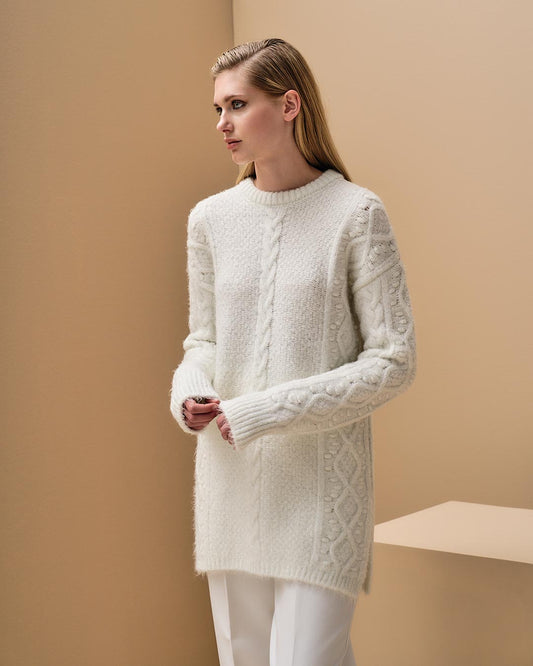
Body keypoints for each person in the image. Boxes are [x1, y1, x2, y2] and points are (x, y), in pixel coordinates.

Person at [169, 37, 417, 666]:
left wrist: (262, 410)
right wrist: (189, 391)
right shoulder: (210, 219)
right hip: (229, 484)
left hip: (320, 491)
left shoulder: (356, 214)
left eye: (238, 104)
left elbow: (392, 361)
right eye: (218, 108)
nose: (222, 123)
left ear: (288, 105)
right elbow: (204, 340)